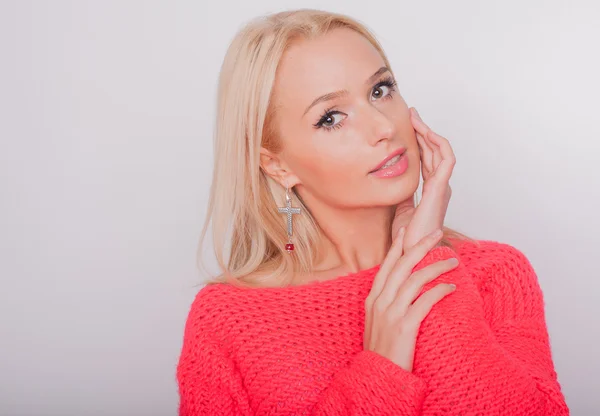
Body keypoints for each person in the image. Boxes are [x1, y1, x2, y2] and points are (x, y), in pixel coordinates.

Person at [176, 8, 569, 416]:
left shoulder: (497, 274)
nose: (383, 126)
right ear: (277, 165)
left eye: (380, 90)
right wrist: (381, 369)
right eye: (331, 118)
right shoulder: (228, 321)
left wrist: (422, 254)